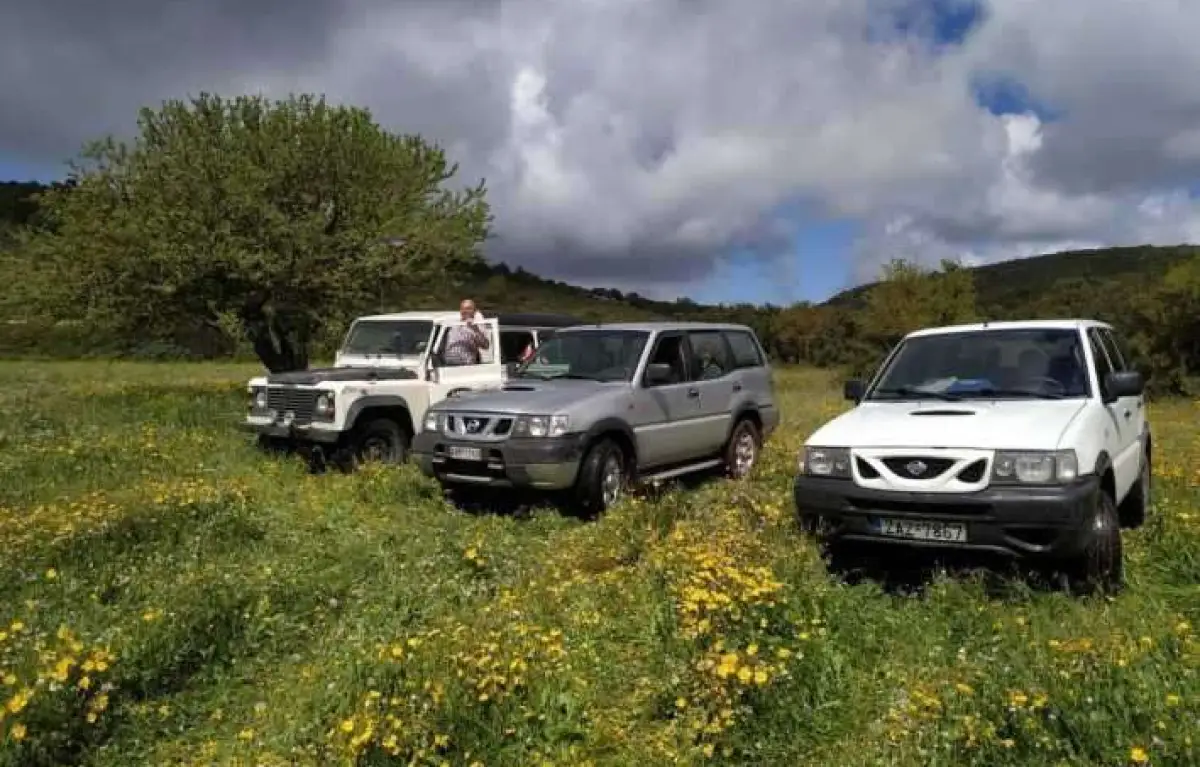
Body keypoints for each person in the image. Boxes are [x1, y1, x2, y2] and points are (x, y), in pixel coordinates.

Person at [442, 298, 490, 365]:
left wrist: (475, 329)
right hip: (448, 365)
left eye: (468, 308)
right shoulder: (453, 325)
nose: (465, 311)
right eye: (462, 308)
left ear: (474, 311)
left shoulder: (477, 325)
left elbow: (486, 345)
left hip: (466, 366)